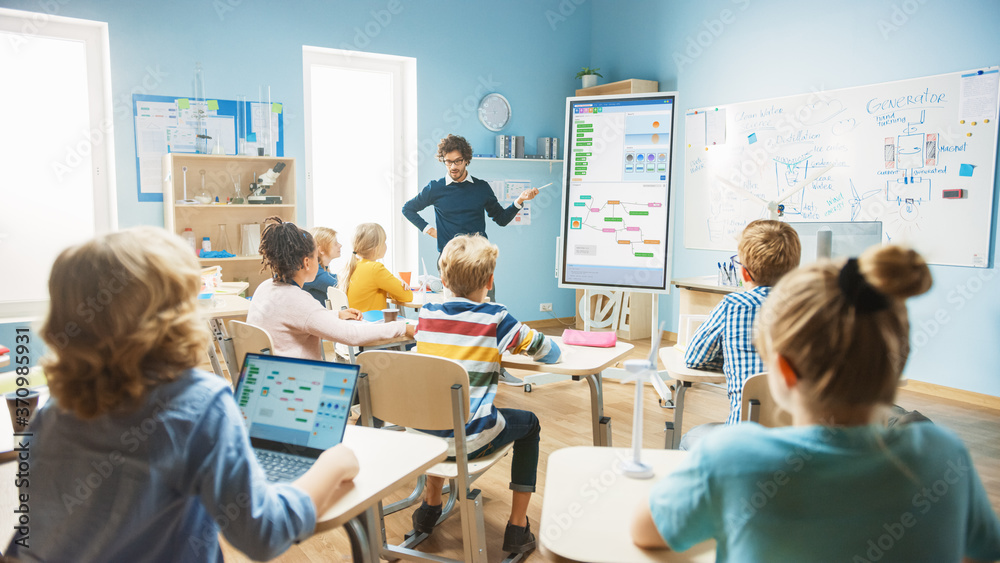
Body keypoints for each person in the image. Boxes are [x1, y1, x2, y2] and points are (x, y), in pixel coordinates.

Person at [7, 227, 360, 562]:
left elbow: (32, 536)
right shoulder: (199, 403)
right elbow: (263, 532)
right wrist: (333, 463)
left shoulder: (54, 411)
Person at [632, 245, 1000, 562]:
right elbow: (978, 554)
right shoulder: (945, 455)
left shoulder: (730, 457)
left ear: (783, 371)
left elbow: (645, 532)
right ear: (898, 363)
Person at [409, 234, 561, 554]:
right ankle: (518, 527)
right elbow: (546, 351)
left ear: (443, 278)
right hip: (469, 440)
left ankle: (429, 504)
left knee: (441, 409)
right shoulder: (495, 318)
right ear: (490, 281)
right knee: (529, 424)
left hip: (422, 439)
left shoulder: (426, 313)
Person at [681, 219, 800, 445]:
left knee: (689, 439)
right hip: (802, 441)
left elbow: (694, 357)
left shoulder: (733, 305)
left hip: (742, 442)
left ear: (745, 273)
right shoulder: (813, 306)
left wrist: (732, 360)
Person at [248, 217, 412, 361]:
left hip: (271, 375)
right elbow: (352, 335)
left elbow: (299, 317)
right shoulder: (299, 300)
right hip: (299, 381)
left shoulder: (265, 288)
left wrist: (336, 314)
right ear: (307, 262)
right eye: (315, 257)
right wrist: (403, 327)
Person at [340, 222, 413, 312]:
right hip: (371, 323)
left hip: (356, 323)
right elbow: (408, 296)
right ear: (376, 247)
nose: (386, 245)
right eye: (384, 242)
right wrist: (399, 283)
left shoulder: (352, 266)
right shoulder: (375, 269)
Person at [302, 226, 341, 306]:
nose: (340, 245)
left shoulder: (322, 269)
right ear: (321, 250)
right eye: (335, 244)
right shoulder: (314, 272)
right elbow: (339, 285)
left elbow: (335, 277)